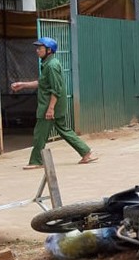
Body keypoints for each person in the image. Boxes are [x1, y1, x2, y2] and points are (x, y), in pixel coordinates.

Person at [11, 37, 98, 170]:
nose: (37, 50)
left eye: (40, 48)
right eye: (37, 48)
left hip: (49, 106)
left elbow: (56, 89)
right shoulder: (48, 64)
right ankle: (86, 152)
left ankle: (36, 160)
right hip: (54, 105)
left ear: (49, 50)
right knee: (64, 130)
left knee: (40, 134)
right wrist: (23, 85)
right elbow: (43, 83)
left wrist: (50, 108)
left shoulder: (51, 66)